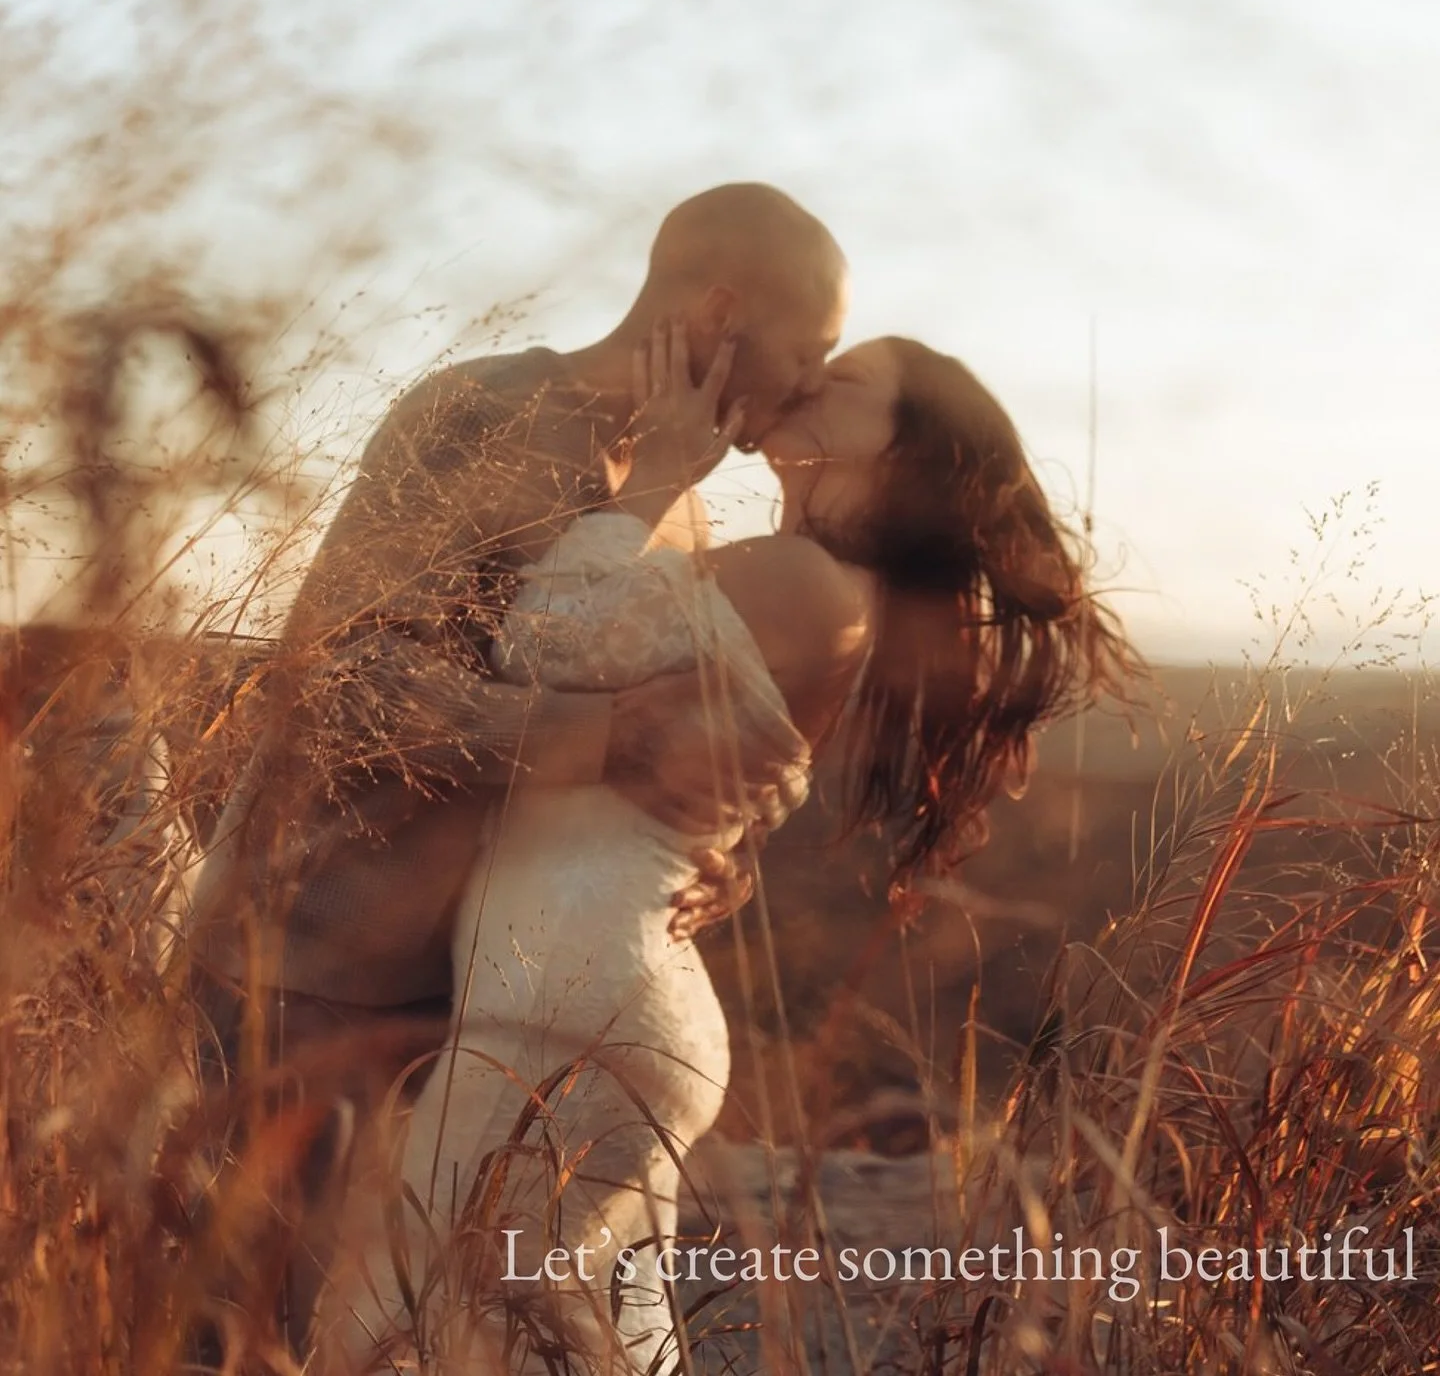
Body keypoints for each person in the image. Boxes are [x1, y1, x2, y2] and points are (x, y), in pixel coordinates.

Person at [318, 324, 1139, 1373]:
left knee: (413, 1311)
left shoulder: (799, 576)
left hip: (574, 1006)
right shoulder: (809, 584)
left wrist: (660, 464)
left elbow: (539, 638)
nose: (805, 375)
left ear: (897, 451)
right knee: (545, 1331)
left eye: (843, 380)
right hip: (594, 994)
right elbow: (701, 787)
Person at [184, 182, 849, 1356]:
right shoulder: (482, 412)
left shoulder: (678, 509)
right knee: (258, 1337)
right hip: (313, 970)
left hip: (480, 1009)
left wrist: (724, 845)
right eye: (810, 351)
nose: (807, 389)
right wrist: (610, 738)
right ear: (723, 310)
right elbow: (342, 689)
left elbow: (700, 732)